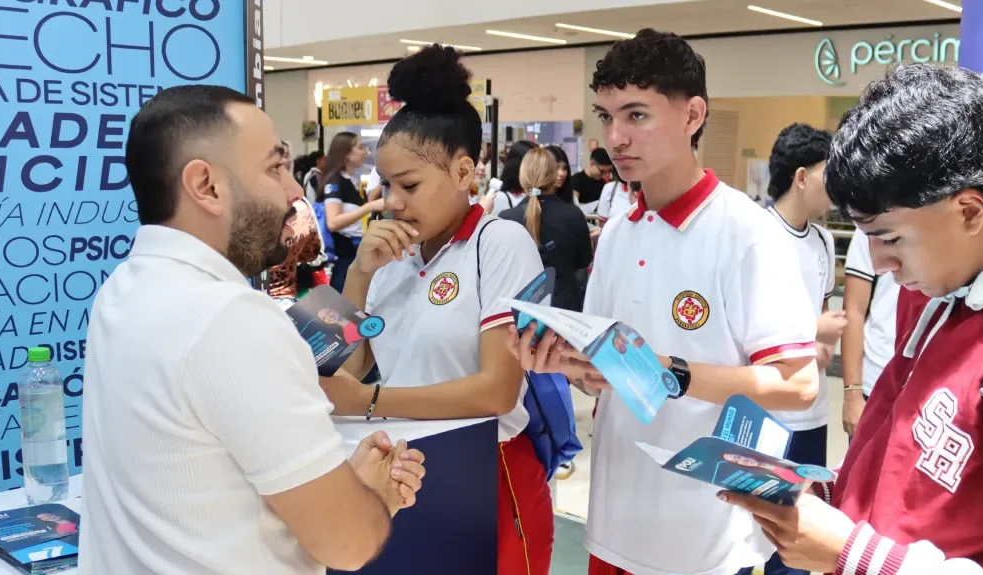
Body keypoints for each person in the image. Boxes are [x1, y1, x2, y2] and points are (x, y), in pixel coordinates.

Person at [720, 64, 983, 575]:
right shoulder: (944, 288)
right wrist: (835, 494)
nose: (879, 264)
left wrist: (854, 553)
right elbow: (928, 481)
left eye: (890, 237)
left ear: (970, 211)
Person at [80, 85, 426, 574]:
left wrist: (360, 275)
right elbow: (348, 541)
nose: (294, 191)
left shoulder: (125, 288)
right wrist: (373, 495)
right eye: (275, 167)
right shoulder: (231, 317)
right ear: (206, 185)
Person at [509, 29, 820, 575]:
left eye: (637, 115)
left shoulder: (747, 232)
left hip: (704, 536)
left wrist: (670, 372)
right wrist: (567, 366)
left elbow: (797, 384)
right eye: (606, 117)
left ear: (693, 115)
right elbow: (604, 369)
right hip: (613, 519)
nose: (615, 137)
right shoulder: (621, 230)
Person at [318, 46, 553, 575]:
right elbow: (328, 372)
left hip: (486, 473)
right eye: (385, 186)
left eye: (410, 185)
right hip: (399, 470)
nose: (392, 202)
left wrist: (371, 399)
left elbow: (497, 389)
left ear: (465, 170)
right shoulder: (389, 256)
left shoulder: (500, 242)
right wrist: (357, 273)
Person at [759, 122, 839, 575]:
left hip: (813, 410)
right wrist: (813, 331)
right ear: (802, 176)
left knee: (799, 529)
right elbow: (746, 329)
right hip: (768, 409)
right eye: (830, 174)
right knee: (754, 526)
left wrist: (821, 341)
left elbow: (820, 308)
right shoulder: (757, 236)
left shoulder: (824, 240)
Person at [500, 147, 594, 312]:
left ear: (523, 176)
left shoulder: (507, 218)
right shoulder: (572, 214)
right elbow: (583, 260)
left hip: (520, 312)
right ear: (553, 176)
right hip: (565, 311)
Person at [840, 226, 898, 435]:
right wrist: (852, 394)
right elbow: (854, 311)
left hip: (932, 385)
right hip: (876, 380)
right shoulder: (870, 221)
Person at [315, 132, 386, 292]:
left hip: (354, 254)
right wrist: (369, 207)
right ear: (347, 153)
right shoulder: (336, 182)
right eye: (360, 147)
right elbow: (333, 222)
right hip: (344, 259)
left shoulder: (350, 181)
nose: (365, 152)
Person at [266, 141, 326, 308]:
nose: (287, 161)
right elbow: (312, 252)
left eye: (287, 157)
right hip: (284, 299)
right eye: (277, 164)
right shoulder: (299, 205)